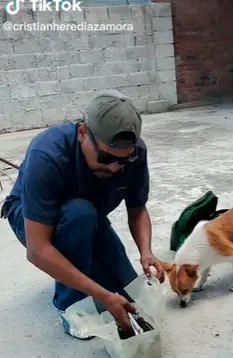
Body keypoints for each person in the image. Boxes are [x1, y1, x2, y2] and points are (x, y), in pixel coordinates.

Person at [1, 90, 164, 339]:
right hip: (34, 218)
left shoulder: (136, 153)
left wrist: (146, 251)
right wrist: (100, 295)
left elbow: (137, 209)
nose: (114, 167)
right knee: (80, 215)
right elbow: (38, 250)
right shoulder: (46, 154)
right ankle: (69, 307)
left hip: (89, 216)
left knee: (130, 295)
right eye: (106, 157)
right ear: (82, 133)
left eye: (123, 160)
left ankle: (86, 264)